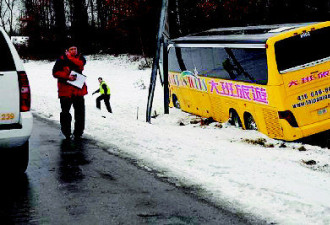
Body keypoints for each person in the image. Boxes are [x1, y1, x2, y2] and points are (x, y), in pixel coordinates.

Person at [52, 45, 88, 140]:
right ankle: (66, 132)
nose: (73, 51)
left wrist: (70, 57)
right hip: (65, 90)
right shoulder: (61, 59)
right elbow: (55, 73)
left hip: (78, 90)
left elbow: (80, 65)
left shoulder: (81, 58)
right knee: (65, 112)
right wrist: (67, 77)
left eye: (75, 49)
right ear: (67, 50)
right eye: (71, 49)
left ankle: (78, 133)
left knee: (80, 112)